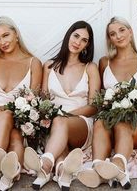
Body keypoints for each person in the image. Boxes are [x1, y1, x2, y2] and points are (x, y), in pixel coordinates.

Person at [78, 16, 137, 189]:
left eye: (122, 30)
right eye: (113, 34)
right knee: (100, 121)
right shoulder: (104, 63)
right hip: (110, 121)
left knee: (123, 122)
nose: (118, 36)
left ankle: (119, 166)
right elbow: (101, 98)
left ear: (130, 32)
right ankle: (97, 169)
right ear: (110, 39)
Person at [24, 20, 101, 190]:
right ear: (68, 35)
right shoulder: (49, 66)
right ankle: (60, 171)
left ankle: (44, 163)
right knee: (58, 128)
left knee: (60, 121)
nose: (78, 42)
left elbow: (94, 107)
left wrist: (65, 116)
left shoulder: (90, 68)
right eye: (76, 36)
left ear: (87, 45)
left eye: (84, 40)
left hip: (80, 123)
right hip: (52, 125)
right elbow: (43, 101)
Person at [0, 16, 42, 191]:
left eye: (6, 35)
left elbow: (32, 103)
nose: (2, 42)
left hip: (19, 124)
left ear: (16, 35)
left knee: (16, 138)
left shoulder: (34, 63)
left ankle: (7, 175)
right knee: (6, 116)